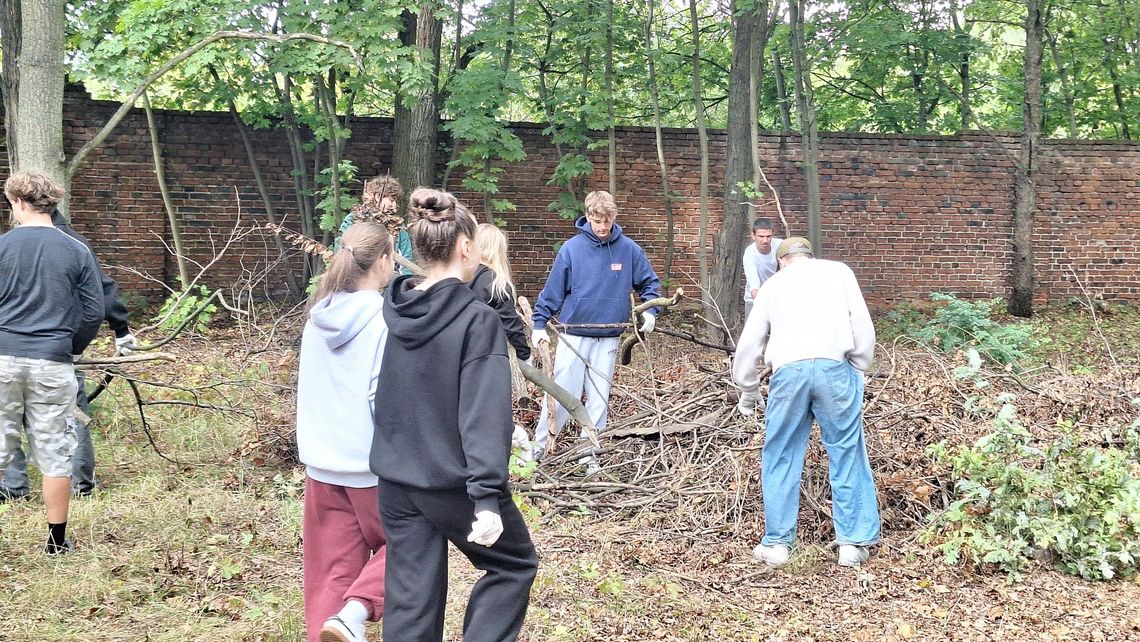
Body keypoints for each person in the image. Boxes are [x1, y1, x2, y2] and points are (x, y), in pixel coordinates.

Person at [370, 188, 537, 642]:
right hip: (453, 483)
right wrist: (486, 496)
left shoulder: (398, 308)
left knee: (411, 595)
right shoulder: (477, 320)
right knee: (513, 564)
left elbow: (393, 394)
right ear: (466, 246)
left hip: (396, 480)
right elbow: (482, 413)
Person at [732, 237, 880, 569]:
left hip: (789, 372)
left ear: (783, 261)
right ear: (810, 257)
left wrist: (749, 388)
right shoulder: (839, 272)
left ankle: (778, 545)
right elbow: (863, 325)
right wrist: (858, 366)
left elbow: (750, 341)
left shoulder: (773, 284)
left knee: (781, 453)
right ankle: (852, 545)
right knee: (846, 450)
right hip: (834, 368)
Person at [297, 222, 394, 642]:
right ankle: (355, 613)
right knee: (413, 544)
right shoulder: (385, 319)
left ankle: (335, 623)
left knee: (330, 573)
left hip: (322, 462)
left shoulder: (318, 316)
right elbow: (379, 396)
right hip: (371, 466)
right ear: (386, 261)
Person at [0, 209, 137, 501]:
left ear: (22, 205)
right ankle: (78, 487)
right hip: (58, 349)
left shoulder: (9, 244)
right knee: (69, 420)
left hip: (14, 350)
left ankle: (15, 489)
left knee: (7, 424)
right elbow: (102, 296)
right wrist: (118, 330)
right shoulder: (74, 244)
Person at [0, 171, 104, 555]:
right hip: (52, 361)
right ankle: (56, 543)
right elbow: (94, 311)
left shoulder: (2, 247)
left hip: (2, 358)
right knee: (54, 448)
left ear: (18, 202)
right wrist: (69, 346)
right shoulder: (76, 249)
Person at [531, 190, 661, 460]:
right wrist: (539, 322)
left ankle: (588, 455)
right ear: (587, 216)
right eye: (597, 220)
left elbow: (650, 284)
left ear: (614, 217)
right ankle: (539, 448)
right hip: (573, 334)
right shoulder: (572, 249)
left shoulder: (629, 250)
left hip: (609, 335)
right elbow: (553, 290)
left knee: (599, 398)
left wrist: (651, 311)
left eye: (607, 221)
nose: (602, 227)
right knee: (562, 392)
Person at [469, 223, 530, 363]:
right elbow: (511, 327)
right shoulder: (497, 283)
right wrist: (525, 355)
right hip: (485, 356)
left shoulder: (459, 276)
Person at [336, 174, 412, 273]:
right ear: (377, 196)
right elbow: (340, 252)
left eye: (396, 201)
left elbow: (406, 262)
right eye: (392, 200)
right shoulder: (354, 220)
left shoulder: (397, 225)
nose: (394, 205)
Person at [742, 218, 782, 320]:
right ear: (753, 235)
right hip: (755, 299)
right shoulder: (750, 254)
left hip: (776, 297)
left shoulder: (780, 246)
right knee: (753, 334)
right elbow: (754, 284)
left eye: (768, 236)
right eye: (761, 236)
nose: (765, 240)